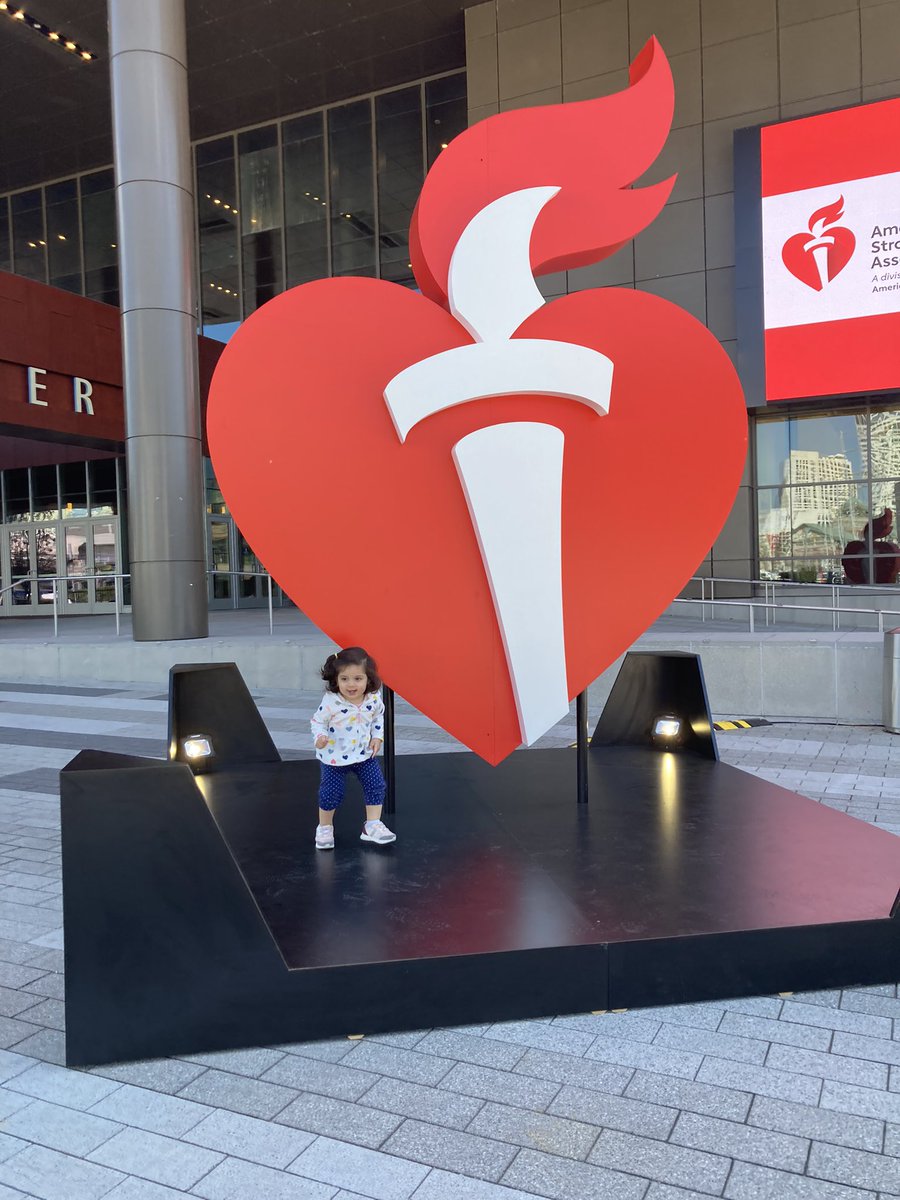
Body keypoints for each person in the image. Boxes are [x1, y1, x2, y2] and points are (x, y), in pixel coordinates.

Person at [311, 646, 395, 851]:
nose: (351, 684)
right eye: (345, 679)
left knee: (376, 785)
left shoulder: (373, 699)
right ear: (336, 680)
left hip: (364, 754)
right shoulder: (332, 702)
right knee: (331, 793)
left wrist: (378, 737)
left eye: (358, 679)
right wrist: (320, 736)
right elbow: (317, 721)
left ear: (368, 679)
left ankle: (372, 825)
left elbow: (377, 719)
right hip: (334, 757)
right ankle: (324, 827)